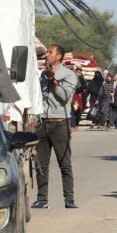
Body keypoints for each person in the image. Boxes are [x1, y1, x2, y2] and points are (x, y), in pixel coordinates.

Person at [32, 44, 79, 209]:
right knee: (41, 164)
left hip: (60, 123)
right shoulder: (43, 74)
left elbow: (64, 98)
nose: (47, 55)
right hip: (43, 122)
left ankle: (69, 199)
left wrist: (53, 80)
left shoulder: (69, 74)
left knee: (64, 163)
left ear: (58, 56)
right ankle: (42, 199)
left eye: (50, 52)